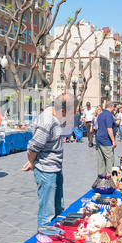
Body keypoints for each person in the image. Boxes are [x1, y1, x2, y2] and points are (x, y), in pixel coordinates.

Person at [22, 93, 72, 227]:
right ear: (62, 110)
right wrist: (31, 162)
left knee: (58, 208)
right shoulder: (47, 121)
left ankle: (55, 236)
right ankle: (44, 241)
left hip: (55, 168)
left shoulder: (56, 118)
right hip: (46, 171)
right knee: (47, 213)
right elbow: (32, 148)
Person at [95, 101, 117, 177]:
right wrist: (113, 141)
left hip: (99, 139)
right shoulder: (109, 115)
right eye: (114, 107)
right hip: (106, 140)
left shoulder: (100, 115)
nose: (114, 109)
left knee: (101, 160)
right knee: (109, 160)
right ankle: (109, 177)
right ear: (111, 107)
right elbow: (109, 128)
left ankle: (101, 178)